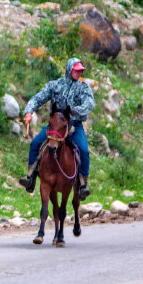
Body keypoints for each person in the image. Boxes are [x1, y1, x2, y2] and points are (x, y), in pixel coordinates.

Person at [19, 57, 95, 200]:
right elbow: (38, 98)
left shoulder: (83, 88)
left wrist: (73, 110)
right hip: (55, 125)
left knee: (84, 151)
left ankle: (82, 185)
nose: (79, 73)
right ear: (69, 70)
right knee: (36, 143)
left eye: (80, 71)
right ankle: (30, 177)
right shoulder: (54, 85)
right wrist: (29, 111)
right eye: (76, 70)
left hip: (74, 124)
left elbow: (89, 104)